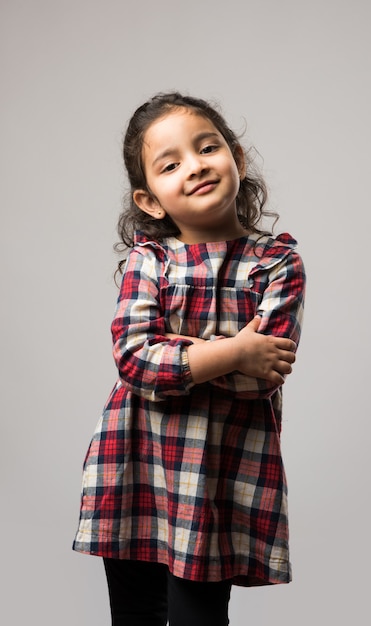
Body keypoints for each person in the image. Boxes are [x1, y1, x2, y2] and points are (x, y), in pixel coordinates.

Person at [73, 92, 306, 626]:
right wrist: (236, 350)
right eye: (171, 164)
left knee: (200, 620)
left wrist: (185, 356)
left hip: (218, 479)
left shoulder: (277, 263)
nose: (195, 166)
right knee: (135, 614)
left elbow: (260, 380)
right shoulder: (149, 260)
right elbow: (135, 360)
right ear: (150, 200)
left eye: (207, 148)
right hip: (133, 466)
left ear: (237, 160)